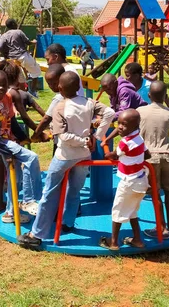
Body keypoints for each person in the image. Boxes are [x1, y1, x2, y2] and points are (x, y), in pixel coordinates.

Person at [18, 72, 114, 248]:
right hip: (84, 155)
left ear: (60, 88)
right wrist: (96, 136)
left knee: (49, 193)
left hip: (65, 156)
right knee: (74, 190)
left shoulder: (60, 107)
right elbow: (110, 112)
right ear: (79, 86)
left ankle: (36, 234)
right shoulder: (89, 103)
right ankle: (68, 222)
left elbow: (63, 137)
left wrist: (85, 139)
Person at [0, 70, 42, 222]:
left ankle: (10, 213)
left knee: (16, 177)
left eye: (4, 85)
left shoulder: (7, 98)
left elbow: (12, 122)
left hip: (8, 141)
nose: (1, 88)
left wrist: (24, 138)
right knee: (32, 158)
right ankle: (28, 200)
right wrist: (5, 151)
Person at [136, 81, 169, 237]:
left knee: (155, 193)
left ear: (149, 95)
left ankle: (161, 227)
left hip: (150, 157)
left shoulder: (140, 111)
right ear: (165, 96)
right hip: (167, 156)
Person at [99, 109, 150, 250]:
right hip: (141, 180)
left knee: (117, 211)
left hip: (129, 182)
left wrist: (107, 153)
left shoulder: (125, 142)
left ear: (134, 126)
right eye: (119, 123)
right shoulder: (139, 138)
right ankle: (137, 240)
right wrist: (134, 159)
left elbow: (114, 155)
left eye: (124, 125)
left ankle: (113, 242)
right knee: (132, 210)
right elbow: (147, 154)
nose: (120, 127)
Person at [0, 18, 41, 98]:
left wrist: (6, 55)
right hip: (22, 56)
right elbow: (27, 42)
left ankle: (21, 95)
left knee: (20, 77)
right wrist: (33, 42)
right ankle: (32, 91)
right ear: (14, 24)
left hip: (12, 60)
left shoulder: (4, 35)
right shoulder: (18, 32)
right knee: (36, 71)